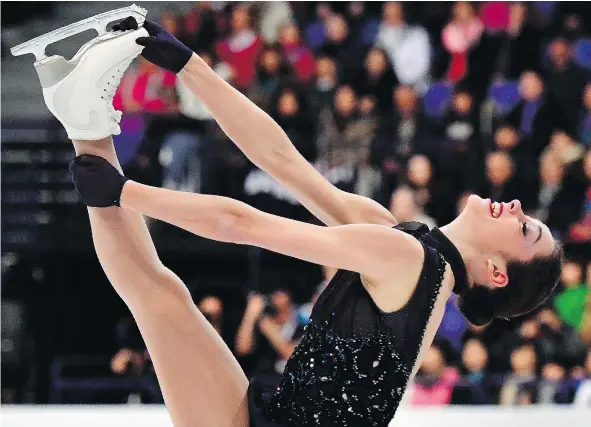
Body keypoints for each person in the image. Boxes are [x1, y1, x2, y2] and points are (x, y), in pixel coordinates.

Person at [38, 17, 562, 427]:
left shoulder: (407, 261)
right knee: (162, 296)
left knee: (160, 296)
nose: (516, 208)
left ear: (497, 271)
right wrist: (190, 65)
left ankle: (86, 126)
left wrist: (125, 192)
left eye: (525, 230)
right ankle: (83, 120)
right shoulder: (401, 240)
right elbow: (284, 163)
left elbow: (245, 225)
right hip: (277, 415)